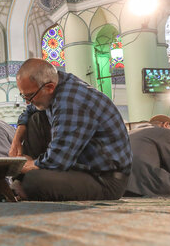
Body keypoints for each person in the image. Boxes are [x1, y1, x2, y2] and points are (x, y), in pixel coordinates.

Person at [9, 58, 131, 201]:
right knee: (35, 117)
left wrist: (24, 166)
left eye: (29, 96)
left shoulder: (72, 102)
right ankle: (23, 182)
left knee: (33, 181)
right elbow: (29, 110)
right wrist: (17, 138)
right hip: (76, 169)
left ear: (49, 87)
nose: (27, 101)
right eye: (23, 96)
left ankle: (24, 182)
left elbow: (57, 161)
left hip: (105, 180)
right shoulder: (56, 85)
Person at [126, 115, 170, 197]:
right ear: (166, 125)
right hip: (148, 184)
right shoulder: (166, 132)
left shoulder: (129, 133)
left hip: (121, 186)